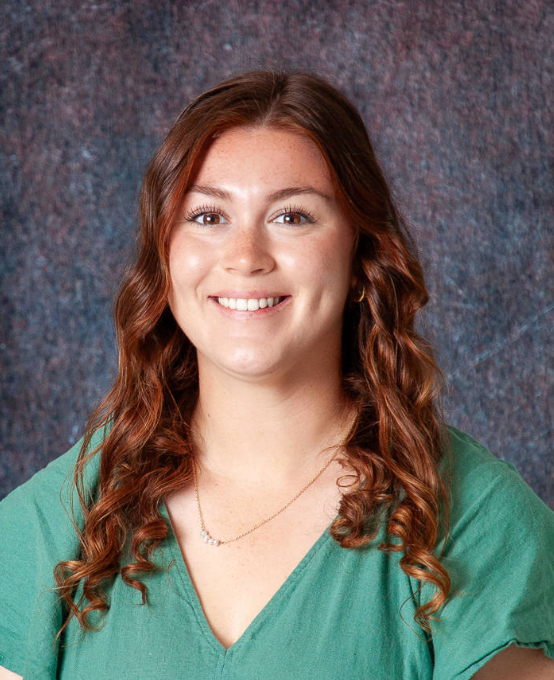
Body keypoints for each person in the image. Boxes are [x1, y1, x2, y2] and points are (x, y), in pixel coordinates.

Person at [0, 69, 553, 680]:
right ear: (165, 254)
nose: (245, 257)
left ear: (361, 256)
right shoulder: (58, 522)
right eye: (208, 216)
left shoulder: (477, 523)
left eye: (292, 217)